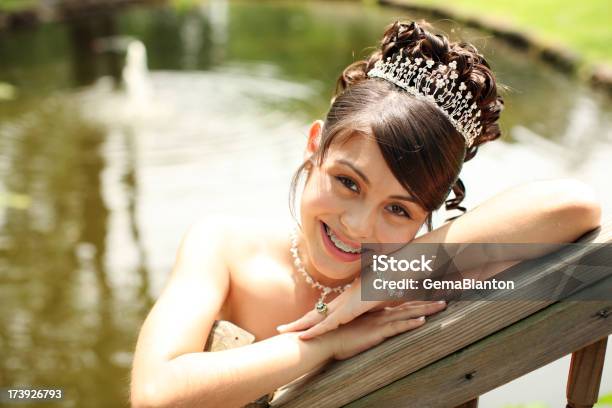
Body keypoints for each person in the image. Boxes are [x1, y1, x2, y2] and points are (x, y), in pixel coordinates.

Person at [130, 20, 601, 408]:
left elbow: (572, 206)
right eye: (348, 182)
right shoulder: (224, 247)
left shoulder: (426, 282)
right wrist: (324, 343)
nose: (357, 225)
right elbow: (155, 394)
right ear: (315, 145)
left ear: (428, 213)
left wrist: (390, 275)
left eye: (398, 209)